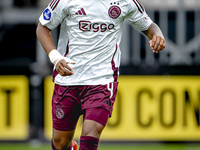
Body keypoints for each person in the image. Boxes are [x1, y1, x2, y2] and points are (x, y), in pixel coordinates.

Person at [36, 0, 166, 149]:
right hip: (68, 78)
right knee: (60, 143)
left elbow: (149, 25)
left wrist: (157, 35)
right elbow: (42, 27)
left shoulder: (125, 2)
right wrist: (56, 58)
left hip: (102, 80)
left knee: (92, 133)